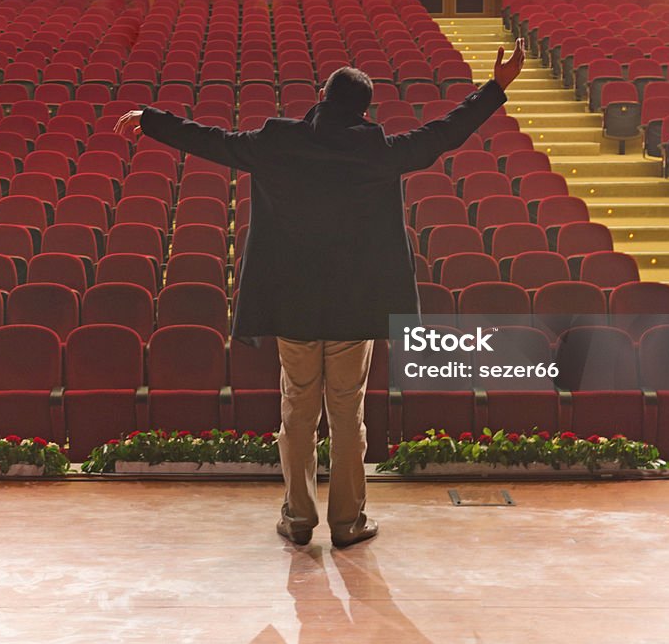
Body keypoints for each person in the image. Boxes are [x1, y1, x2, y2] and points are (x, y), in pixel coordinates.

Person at [116, 39, 525, 548]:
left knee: (296, 411)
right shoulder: (378, 151)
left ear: (321, 97)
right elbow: (444, 134)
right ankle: (348, 522)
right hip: (355, 311)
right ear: (364, 108)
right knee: (347, 416)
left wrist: (150, 119)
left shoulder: (276, 141)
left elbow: (211, 140)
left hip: (293, 307)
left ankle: (298, 516)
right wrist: (496, 87)